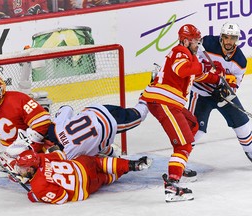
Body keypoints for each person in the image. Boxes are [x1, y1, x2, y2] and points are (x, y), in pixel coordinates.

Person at [139, 24, 226, 202]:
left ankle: (178, 166)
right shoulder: (180, 51)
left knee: (192, 125)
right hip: (163, 102)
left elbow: (197, 75)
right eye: (195, 41)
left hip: (170, 103)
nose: (198, 44)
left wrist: (218, 78)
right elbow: (182, 70)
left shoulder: (190, 56)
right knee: (184, 145)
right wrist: (204, 67)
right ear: (185, 41)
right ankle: (172, 185)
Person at [188, 23, 250, 159]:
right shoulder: (207, 43)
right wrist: (208, 76)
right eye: (226, 37)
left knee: (243, 124)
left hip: (222, 95)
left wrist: (225, 92)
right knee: (195, 129)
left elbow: (234, 84)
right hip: (201, 92)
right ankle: (181, 158)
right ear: (221, 36)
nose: (229, 41)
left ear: (237, 39)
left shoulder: (240, 60)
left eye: (232, 38)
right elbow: (192, 64)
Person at [14, 149, 150, 204]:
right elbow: (61, 155)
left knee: (104, 179)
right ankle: (132, 165)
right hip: (82, 164)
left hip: (86, 186)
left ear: (31, 168)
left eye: (23, 168)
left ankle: (122, 171)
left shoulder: (38, 187)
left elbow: (62, 197)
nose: (20, 170)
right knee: (101, 163)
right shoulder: (41, 158)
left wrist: (36, 196)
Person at [0, 75, 52, 171]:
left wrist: (30, 146)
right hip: (6, 148)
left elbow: (43, 120)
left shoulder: (18, 99)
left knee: (45, 167)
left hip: (26, 142)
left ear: (2, 89)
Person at [46, 101, 148, 159]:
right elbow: (67, 108)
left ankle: (153, 89)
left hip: (111, 123)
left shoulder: (70, 155)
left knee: (140, 115)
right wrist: (57, 118)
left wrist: (114, 157)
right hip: (98, 109)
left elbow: (98, 151)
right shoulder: (56, 128)